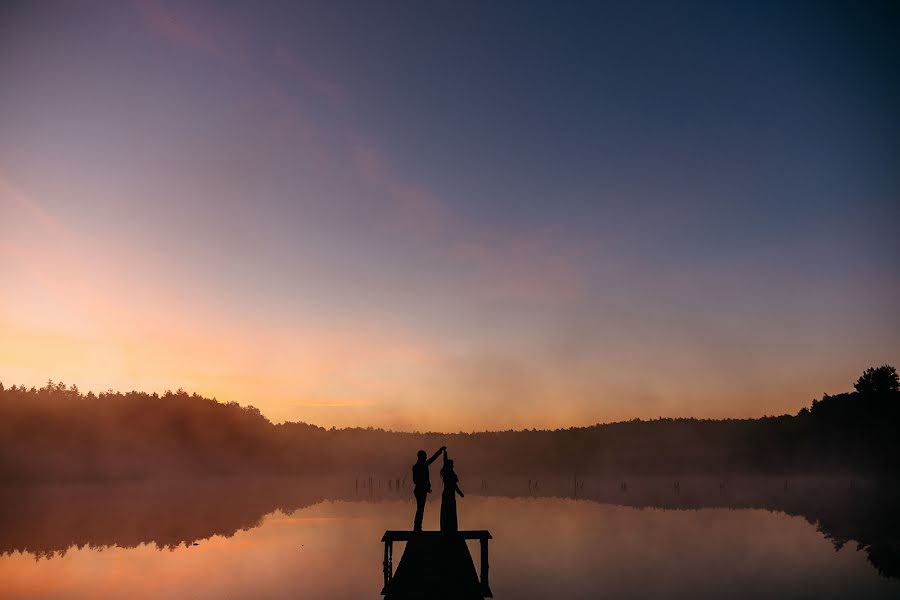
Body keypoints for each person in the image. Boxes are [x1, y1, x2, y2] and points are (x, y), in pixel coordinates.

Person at [412, 445, 446, 531]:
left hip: (421, 490)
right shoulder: (417, 467)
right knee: (420, 508)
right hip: (420, 490)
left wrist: (439, 451)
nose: (426, 457)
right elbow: (416, 481)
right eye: (425, 456)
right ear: (421, 457)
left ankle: (418, 527)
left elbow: (433, 459)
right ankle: (417, 527)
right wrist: (425, 487)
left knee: (420, 508)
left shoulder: (422, 465)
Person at [439, 448, 464, 533]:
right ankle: (448, 527)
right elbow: (454, 485)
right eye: (452, 464)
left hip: (449, 493)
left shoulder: (449, 472)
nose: (453, 466)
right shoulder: (447, 472)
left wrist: (459, 492)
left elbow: (454, 485)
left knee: (450, 510)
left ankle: (449, 527)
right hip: (448, 493)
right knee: (449, 510)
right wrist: (445, 454)